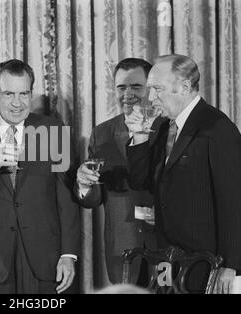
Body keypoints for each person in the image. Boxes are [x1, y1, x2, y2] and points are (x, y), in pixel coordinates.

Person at [0, 59, 80, 294]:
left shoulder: (54, 131)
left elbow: (67, 199)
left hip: (48, 260)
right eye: (9, 93)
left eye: (24, 93)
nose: (17, 103)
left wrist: (68, 254)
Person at [126, 54, 241, 293]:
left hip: (207, 261)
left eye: (158, 89)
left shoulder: (217, 127)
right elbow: (140, 182)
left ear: (185, 86)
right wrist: (138, 137)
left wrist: (231, 265)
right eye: (150, 89)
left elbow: (233, 201)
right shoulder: (160, 126)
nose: (152, 97)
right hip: (166, 258)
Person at [75, 58, 157, 284]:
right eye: (122, 87)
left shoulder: (169, 127)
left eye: (136, 86)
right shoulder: (102, 133)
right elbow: (94, 199)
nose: (128, 94)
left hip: (166, 247)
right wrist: (84, 185)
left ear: (151, 87)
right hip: (122, 249)